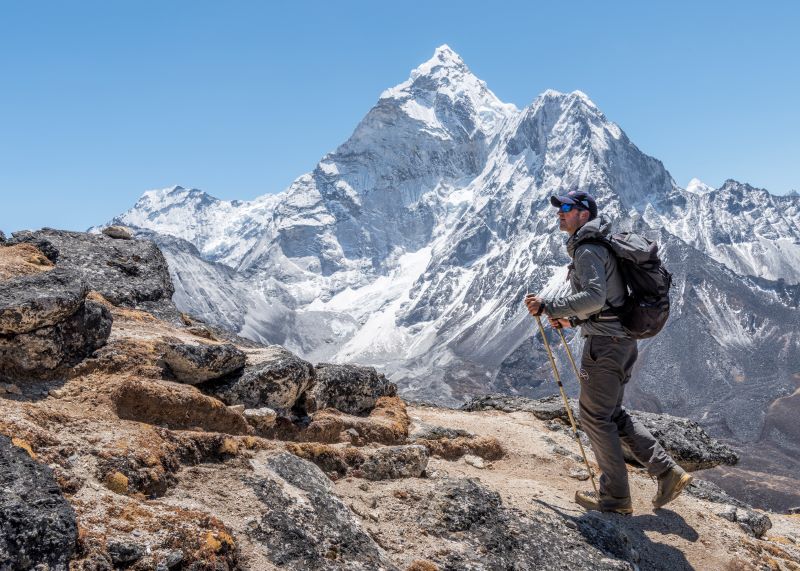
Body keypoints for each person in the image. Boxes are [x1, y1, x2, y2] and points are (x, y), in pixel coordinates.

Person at [524, 190, 692, 514]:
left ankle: (615, 497)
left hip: (605, 346)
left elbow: (595, 298)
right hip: (621, 341)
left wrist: (549, 305)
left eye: (568, 208)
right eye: (561, 208)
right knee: (612, 414)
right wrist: (571, 319)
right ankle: (667, 471)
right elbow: (608, 301)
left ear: (583, 214)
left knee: (594, 417)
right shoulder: (598, 245)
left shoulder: (587, 248)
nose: (561, 212)